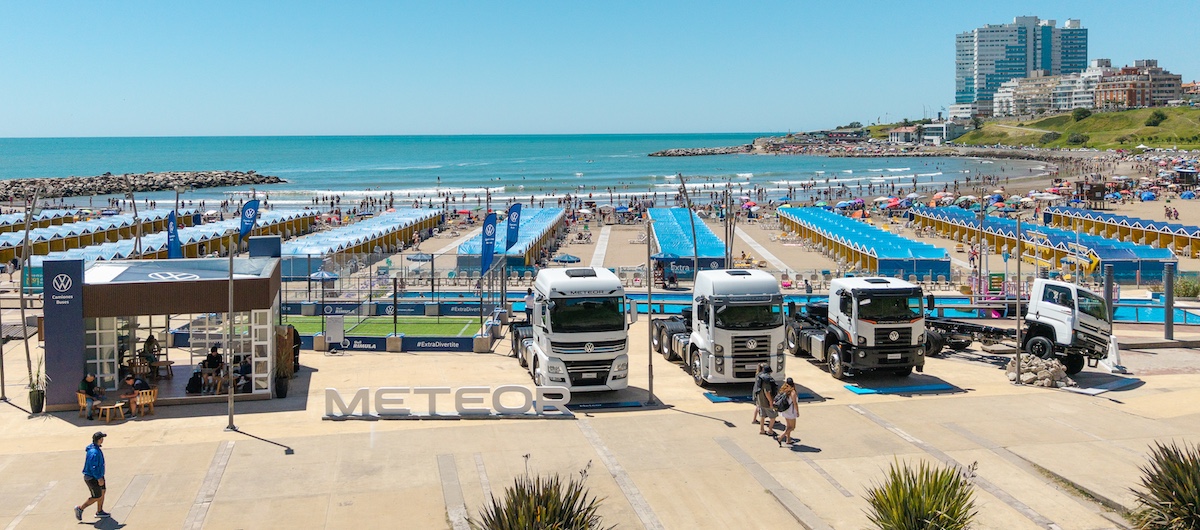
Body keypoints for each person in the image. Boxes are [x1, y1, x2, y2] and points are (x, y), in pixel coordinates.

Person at [74, 432, 110, 520]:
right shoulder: (94, 452)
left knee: (103, 491)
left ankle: (99, 511)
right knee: (97, 496)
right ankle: (80, 508)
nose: (103, 440)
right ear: (99, 440)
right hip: (92, 477)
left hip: (99, 475)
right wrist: (98, 478)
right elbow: (93, 467)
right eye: (102, 438)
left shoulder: (95, 448)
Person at [753, 364, 779, 437]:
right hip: (766, 402)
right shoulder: (767, 380)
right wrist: (771, 402)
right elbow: (767, 392)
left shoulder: (759, 377)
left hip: (760, 401)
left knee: (762, 416)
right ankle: (770, 430)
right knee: (773, 417)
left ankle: (762, 429)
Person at [777, 378, 800, 447]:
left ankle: (788, 440)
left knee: (788, 426)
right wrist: (797, 411)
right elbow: (795, 403)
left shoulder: (784, 390)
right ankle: (781, 437)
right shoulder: (793, 392)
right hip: (791, 411)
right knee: (792, 427)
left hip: (785, 410)